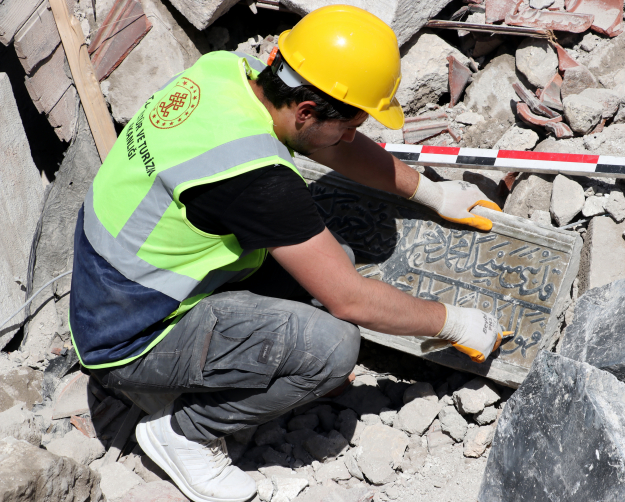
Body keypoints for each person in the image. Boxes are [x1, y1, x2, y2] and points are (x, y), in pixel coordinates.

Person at [68, 5, 504, 502]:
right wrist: (450, 322)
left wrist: (429, 192)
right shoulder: (257, 179)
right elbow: (351, 301)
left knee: (328, 253)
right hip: (128, 334)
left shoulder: (224, 75)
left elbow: (332, 145)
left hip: (112, 284)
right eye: (349, 124)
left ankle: (233, 371)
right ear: (306, 111)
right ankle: (186, 433)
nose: (350, 135)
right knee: (333, 345)